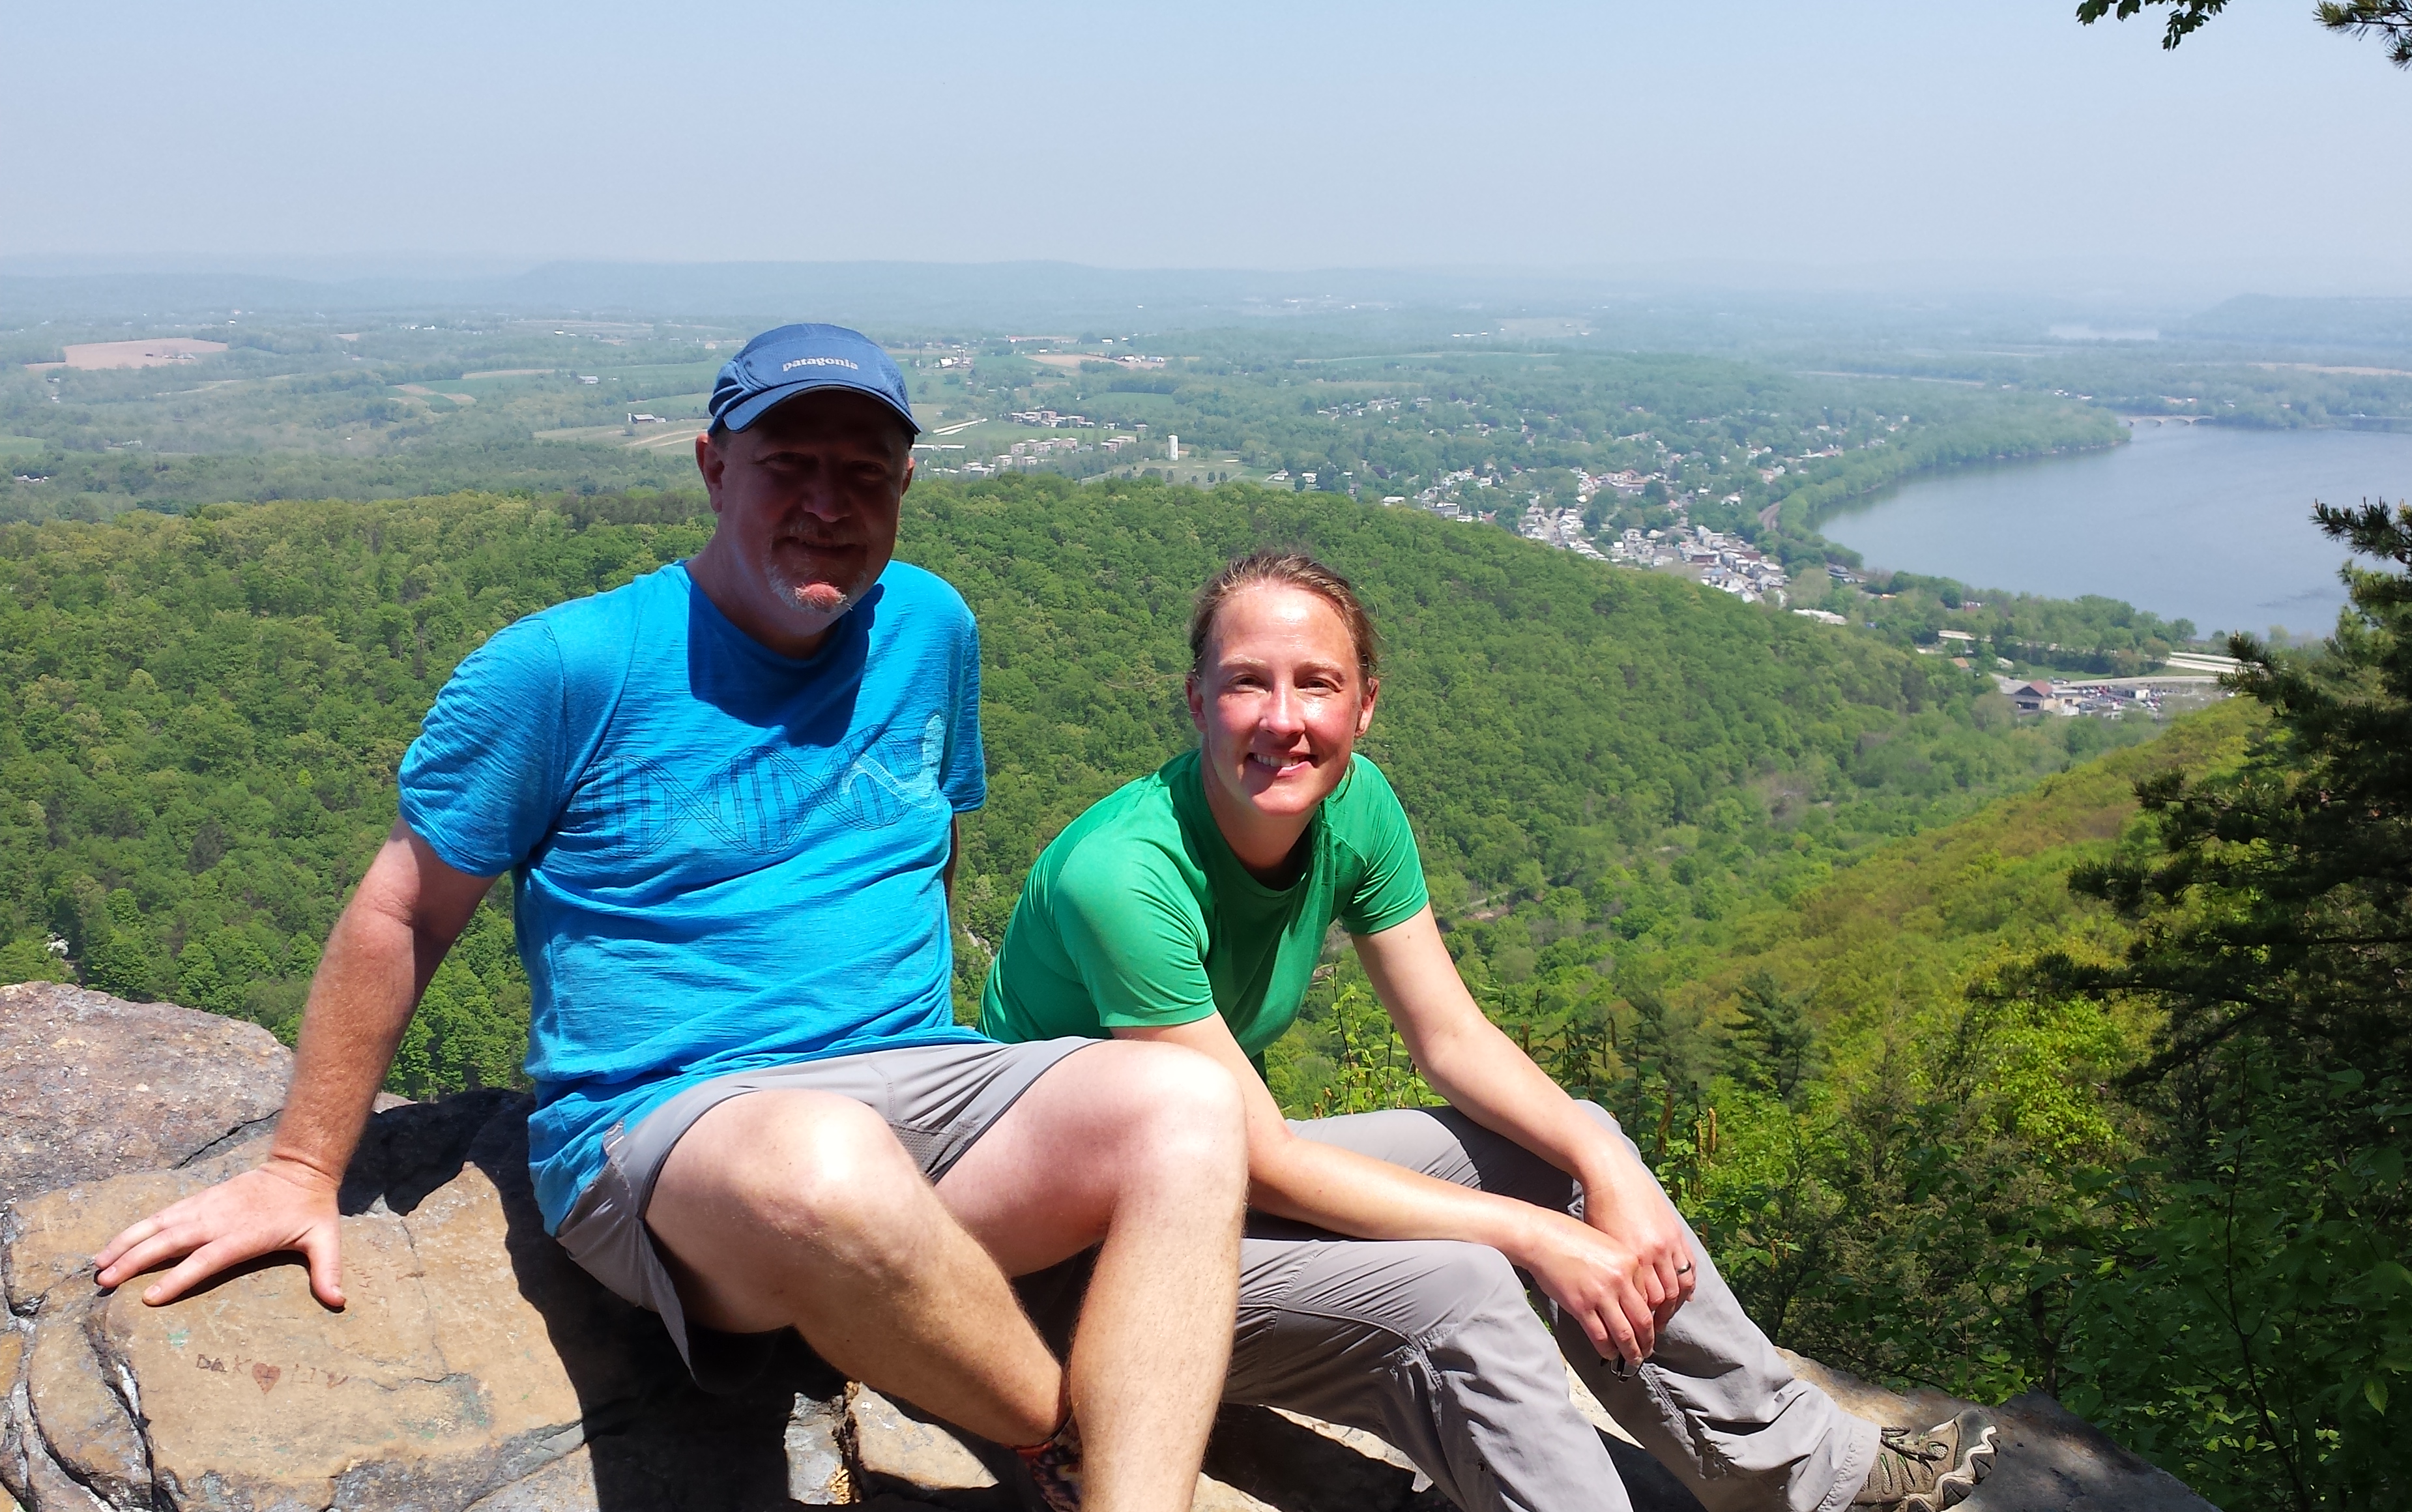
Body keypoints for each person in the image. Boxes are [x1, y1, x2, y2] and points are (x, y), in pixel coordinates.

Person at [91, 324, 1249, 1512]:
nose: (827, 503)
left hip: (916, 1091)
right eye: (787, 464)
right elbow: (404, 910)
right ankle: (1066, 1443)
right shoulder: (566, 669)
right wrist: (298, 1170)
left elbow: (928, 850)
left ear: (905, 485)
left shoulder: (930, 627)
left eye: (863, 473)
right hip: (679, 1132)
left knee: (1189, 1104)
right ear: (712, 466)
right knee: (824, 1165)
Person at [980, 551, 1999, 1512]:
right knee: (1458, 1284)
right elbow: (1271, 1160)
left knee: (1565, 1142)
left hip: (1190, 1192)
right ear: (1199, 700)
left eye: (1317, 684)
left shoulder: (1355, 806)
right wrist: (1538, 1238)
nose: (1283, 719)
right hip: (1068, 1271)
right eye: (1248, 683)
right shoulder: (1124, 877)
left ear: (1365, 706)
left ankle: (1796, 1473)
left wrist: (1605, 1165)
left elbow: (1453, 1039)